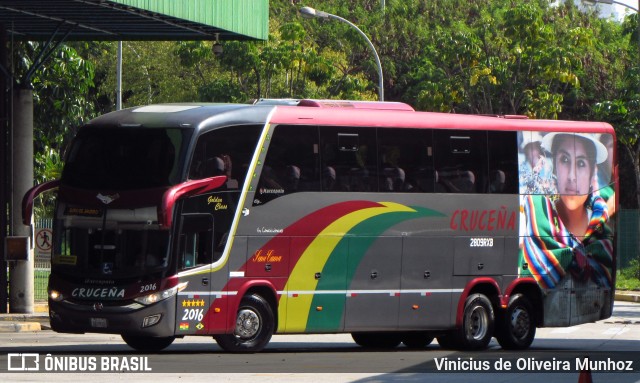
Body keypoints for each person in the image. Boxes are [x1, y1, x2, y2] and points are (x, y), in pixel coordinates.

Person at [519, 133, 613, 291]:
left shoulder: (603, 238)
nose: (571, 177)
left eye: (581, 163)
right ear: (555, 168)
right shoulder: (535, 222)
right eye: (564, 160)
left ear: (592, 176)